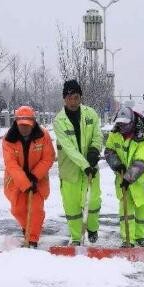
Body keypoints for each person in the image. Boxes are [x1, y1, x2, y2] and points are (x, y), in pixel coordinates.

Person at [53, 79, 104, 246]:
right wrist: (85, 165)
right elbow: (69, 148)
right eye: (69, 98)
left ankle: (92, 228)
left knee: (94, 201)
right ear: (64, 99)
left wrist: (94, 151)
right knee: (72, 207)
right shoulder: (58, 121)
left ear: (80, 97)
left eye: (76, 97)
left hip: (91, 167)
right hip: (70, 170)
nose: (73, 101)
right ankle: (76, 238)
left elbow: (98, 135)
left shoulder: (91, 114)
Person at [103, 106, 144, 247]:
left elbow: (141, 162)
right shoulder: (114, 134)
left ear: (132, 122)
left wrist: (128, 178)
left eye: (125, 124)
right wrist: (117, 165)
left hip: (142, 181)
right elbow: (109, 151)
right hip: (124, 180)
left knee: (142, 213)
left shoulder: (143, 137)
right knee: (125, 213)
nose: (122, 127)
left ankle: (140, 237)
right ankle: (127, 240)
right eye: (120, 124)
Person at [2, 106, 55, 248]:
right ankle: (27, 228)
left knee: (36, 210)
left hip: (38, 179)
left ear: (33, 123)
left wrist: (34, 176)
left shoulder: (43, 135)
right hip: (15, 180)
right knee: (18, 209)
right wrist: (25, 183)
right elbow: (11, 164)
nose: (24, 128)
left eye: (27, 125)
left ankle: (32, 239)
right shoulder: (8, 139)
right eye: (21, 125)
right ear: (16, 123)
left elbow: (48, 157)